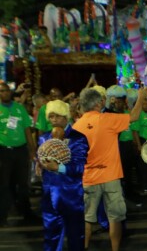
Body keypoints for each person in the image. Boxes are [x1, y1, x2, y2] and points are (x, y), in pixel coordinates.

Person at [72, 86, 147, 251]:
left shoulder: (76, 126)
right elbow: (134, 116)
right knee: (115, 218)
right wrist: (141, 97)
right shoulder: (108, 119)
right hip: (111, 176)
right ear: (98, 104)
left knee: (87, 219)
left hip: (88, 178)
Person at [36, 100, 89, 251]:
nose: (54, 120)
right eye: (51, 116)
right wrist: (39, 165)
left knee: (75, 234)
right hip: (49, 193)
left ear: (66, 117)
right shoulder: (44, 138)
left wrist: (59, 167)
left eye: (57, 116)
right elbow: (40, 157)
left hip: (71, 194)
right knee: (50, 234)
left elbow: (79, 167)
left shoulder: (78, 138)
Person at [0, 82, 37, 227]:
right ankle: (3, 215)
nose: (5, 93)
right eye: (2, 91)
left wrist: (32, 150)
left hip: (21, 150)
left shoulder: (19, 108)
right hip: (3, 151)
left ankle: (26, 213)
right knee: (4, 184)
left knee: (23, 183)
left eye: (7, 90)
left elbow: (27, 130)